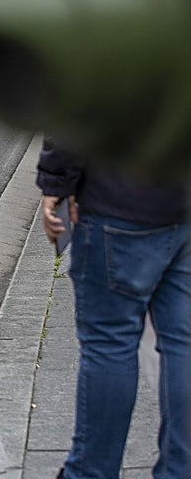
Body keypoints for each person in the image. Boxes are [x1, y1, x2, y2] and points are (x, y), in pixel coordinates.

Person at [38, 141, 188, 479]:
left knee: (109, 345)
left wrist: (58, 181)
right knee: (182, 343)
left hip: (121, 194)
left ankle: (91, 472)